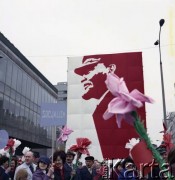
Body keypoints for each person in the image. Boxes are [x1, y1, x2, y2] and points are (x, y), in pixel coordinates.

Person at [74, 53, 143, 159]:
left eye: (88, 71)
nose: (83, 78)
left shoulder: (118, 106)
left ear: (110, 69)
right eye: (82, 74)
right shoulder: (99, 109)